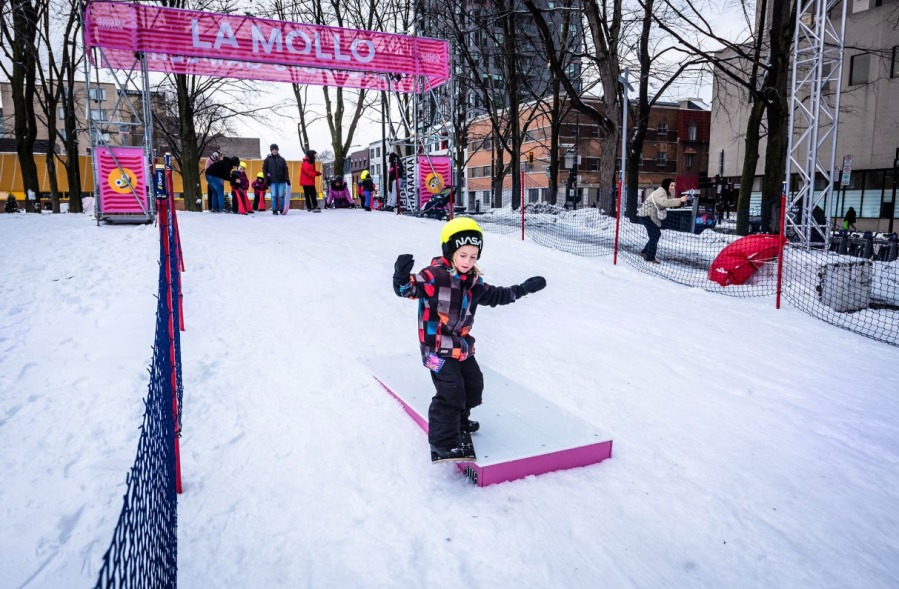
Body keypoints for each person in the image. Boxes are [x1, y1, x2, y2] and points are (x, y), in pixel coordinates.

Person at [391, 217, 547, 461]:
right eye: (463, 255)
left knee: (474, 386)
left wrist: (523, 288)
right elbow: (406, 289)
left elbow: (497, 296)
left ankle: (460, 420)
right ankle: (442, 441)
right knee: (451, 390)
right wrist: (400, 276)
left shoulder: (473, 282)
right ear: (451, 251)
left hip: (460, 347)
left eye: (473, 256)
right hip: (435, 350)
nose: (468, 261)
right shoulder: (434, 276)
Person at [635, 178, 688, 264]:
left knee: (655, 234)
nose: (673, 187)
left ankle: (645, 252)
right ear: (666, 185)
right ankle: (650, 257)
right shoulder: (661, 192)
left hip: (649, 215)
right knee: (654, 235)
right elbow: (664, 202)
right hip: (646, 215)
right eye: (671, 185)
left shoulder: (665, 192)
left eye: (674, 185)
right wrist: (679, 200)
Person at [263, 144, 290, 215]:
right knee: (274, 195)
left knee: (281, 195)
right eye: (273, 150)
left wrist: (287, 178)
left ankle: (281, 209)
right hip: (272, 181)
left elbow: (285, 169)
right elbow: (264, 169)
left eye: (276, 150)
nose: (274, 151)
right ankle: (274, 210)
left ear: (277, 150)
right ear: (271, 151)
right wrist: (266, 178)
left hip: (281, 181)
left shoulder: (282, 159)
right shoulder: (267, 159)